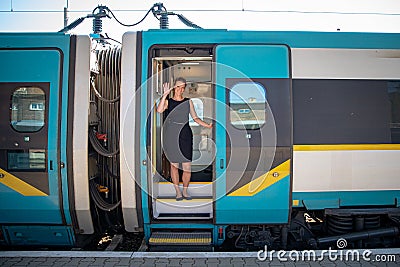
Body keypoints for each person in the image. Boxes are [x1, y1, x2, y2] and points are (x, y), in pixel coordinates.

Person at [157, 77, 212, 201]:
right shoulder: (168, 102)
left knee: (187, 167)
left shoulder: (188, 102)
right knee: (174, 166)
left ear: (184, 89)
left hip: (186, 134)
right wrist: (165, 95)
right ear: (174, 88)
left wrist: (207, 125)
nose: (180, 90)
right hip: (172, 135)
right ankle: (178, 192)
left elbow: (195, 118)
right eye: (177, 87)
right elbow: (159, 110)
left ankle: (185, 191)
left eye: (182, 87)